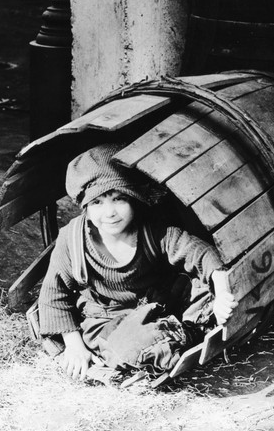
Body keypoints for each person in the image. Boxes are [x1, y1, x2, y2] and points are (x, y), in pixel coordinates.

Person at [37, 142, 238, 381]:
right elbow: (53, 293)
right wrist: (74, 344)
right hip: (108, 319)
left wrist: (223, 294)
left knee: (204, 290)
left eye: (119, 199)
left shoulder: (153, 230)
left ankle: (187, 327)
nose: (109, 212)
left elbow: (200, 253)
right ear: (85, 207)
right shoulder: (73, 239)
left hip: (159, 304)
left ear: (134, 199)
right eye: (97, 203)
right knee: (125, 350)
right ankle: (182, 332)